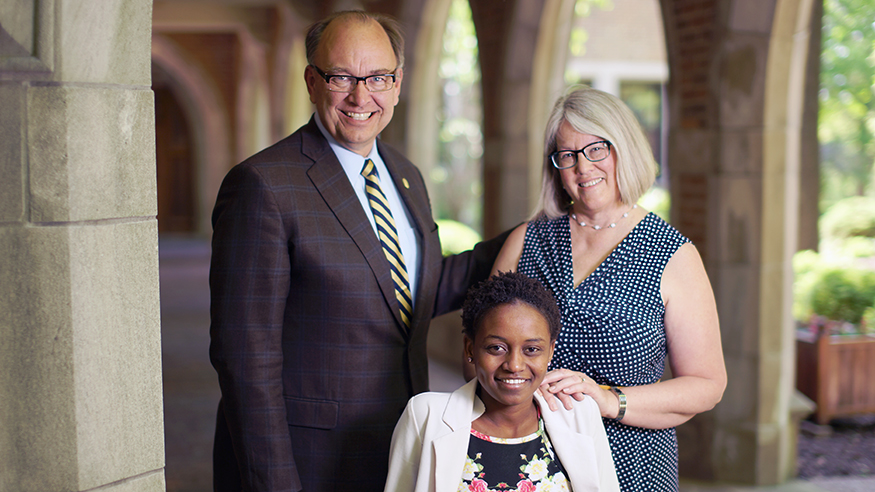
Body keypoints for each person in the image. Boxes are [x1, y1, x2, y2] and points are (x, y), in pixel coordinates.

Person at [209, 10, 506, 492]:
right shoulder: (263, 185)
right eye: (342, 76)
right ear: (311, 80)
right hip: (308, 463)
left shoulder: (404, 174)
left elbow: (418, 288)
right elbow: (244, 359)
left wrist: (543, 227)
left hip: (399, 446)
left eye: (378, 78)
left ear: (398, 83)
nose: (360, 96)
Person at [490, 86, 727, 491]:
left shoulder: (672, 253)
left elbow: (707, 385)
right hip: (526, 463)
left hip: (631, 468)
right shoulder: (526, 240)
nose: (583, 167)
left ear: (624, 147)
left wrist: (607, 399)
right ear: (556, 167)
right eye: (568, 155)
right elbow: (475, 351)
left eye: (597, 149)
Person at [385, 272, 620, 492]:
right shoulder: (425, 415)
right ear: (470, 348)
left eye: (532, 349)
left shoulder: (578, 413)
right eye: (496, 348)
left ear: (550, 352)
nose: (514, 365)